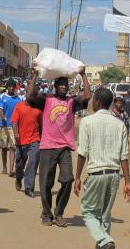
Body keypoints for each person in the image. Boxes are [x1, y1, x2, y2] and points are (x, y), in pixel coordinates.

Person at [27, 64, 91, 227]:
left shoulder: (71, 102)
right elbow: (30, 96)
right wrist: (34, 75)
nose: (63, 86)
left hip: (65, 147)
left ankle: (59, 212)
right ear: (55, 86)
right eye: (60, 84)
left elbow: (87, 97)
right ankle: (47, 214)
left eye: (65, 84)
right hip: (48, 146)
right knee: (45, 183)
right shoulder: (46, 99)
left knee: (68, 179)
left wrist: (83, 75)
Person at [74, 88, 130, 249]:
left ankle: (104, 240)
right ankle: (103, 244)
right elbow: (124, 156)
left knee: (88, 212)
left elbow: (82, 153)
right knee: (105, 214)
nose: (91, 102)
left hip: (96, 174)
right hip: (114, 175)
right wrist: (128, 182)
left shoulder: (87, 122)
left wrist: (77, 177)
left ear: (98, 102)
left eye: (93, 99)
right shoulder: (119, 124)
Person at [12, 98, 42, 198]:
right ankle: (18, 178)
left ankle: (29, 188)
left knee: (33, 161)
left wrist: (42, 139)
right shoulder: (19, 106)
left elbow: (41, 124)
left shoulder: (38, 108)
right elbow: (14, 121)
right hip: (21, 140)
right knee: (19, 162)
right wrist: (16, 133)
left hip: (35, 139)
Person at [0, 79, 21, 177]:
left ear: (15, 88)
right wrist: (2, 116)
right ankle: (4, 167)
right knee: (4, 148)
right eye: (10, 86)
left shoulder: (18, 99)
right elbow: (0, 109)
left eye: (13, 86)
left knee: (12, 148)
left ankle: (11, 169)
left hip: (13, 127)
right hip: (3, 126)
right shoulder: (3, 97)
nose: (11, 88)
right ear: (7, 87)